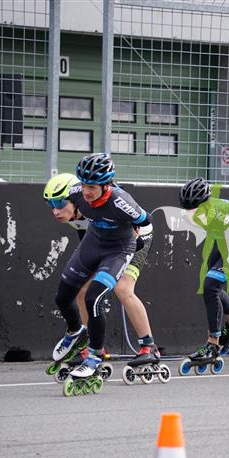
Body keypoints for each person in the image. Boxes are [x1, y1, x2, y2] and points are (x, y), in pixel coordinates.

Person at [51, 153, 153, 384]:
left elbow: (146, 222)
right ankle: (76, 334)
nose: (86, 192)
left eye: (92, 187)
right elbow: (66, 206)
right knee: (65, 295)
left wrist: (137, 240)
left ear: (106, 185)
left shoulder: (120, 201)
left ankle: (100, 354)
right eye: (84, 185)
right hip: (95, 242)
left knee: (98, 296)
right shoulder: (75, 194)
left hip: (121, 247)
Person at [177, 178, 229, 374]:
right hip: (222, 238)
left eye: (194, 208)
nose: (189, 213)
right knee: (209, 282)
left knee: (211, 286)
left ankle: (212, 343)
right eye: (186, 208)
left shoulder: (222, 213)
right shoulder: (198, 213)